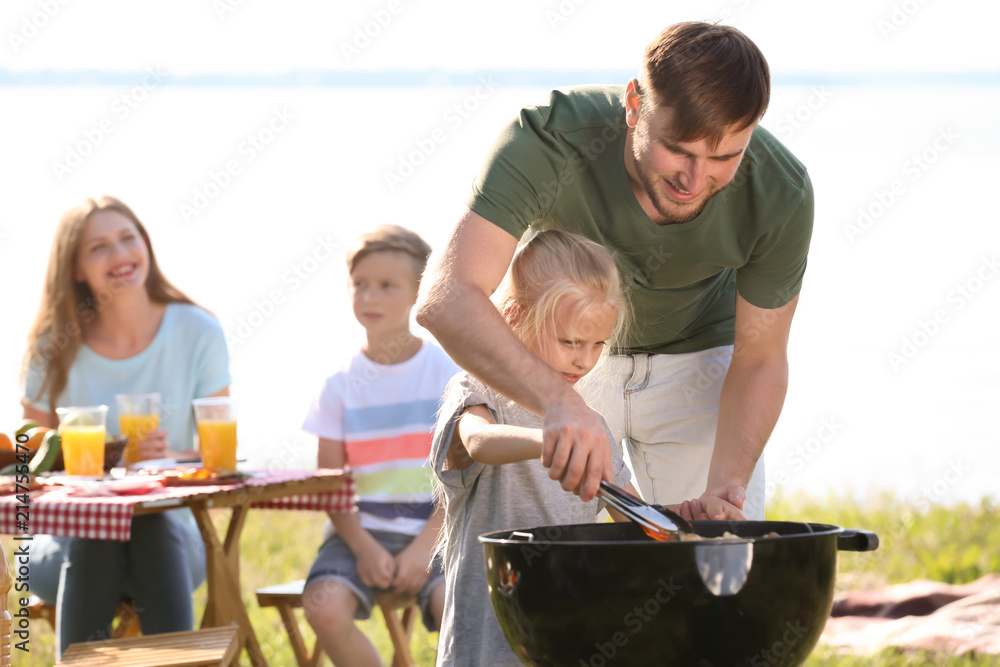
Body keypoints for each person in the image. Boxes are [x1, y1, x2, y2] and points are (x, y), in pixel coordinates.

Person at [417, 21, 814, 521]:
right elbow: (446, 296)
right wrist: (558, 400)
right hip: (562, 357)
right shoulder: (547, 138)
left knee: (711, 572)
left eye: (724, 157)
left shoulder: (782, 191)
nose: (694, 180)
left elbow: (761, 357)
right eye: (680, 150)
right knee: (548, 566)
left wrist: (727, 489)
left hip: (698, 362)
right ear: (633, 105)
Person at [21, 195, 231, 656]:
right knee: (98, 528)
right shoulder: (51, 345)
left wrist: (170, 460)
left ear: (146, 245)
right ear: (75, 268)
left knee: (145, 522)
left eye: (127, 238)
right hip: (63, 536)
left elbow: (216, 456)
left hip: (169, 531)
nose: (119, 254)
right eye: (98, 247)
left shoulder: (197, 332)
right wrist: (92, 460)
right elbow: (23, 456)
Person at [431, 230, 635, 667]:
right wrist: (549, 441)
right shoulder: (478, 389)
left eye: (598, 344)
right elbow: (476, 442)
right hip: (488, 641)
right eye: (570, 342)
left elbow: (635, 518)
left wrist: (692, 517)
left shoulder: (590, 427)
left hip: (568, 640)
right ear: (513, 315)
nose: (585, 360)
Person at [300, 224, 458, 666]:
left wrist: (425, 547)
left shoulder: (447, 375)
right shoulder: (339, 386)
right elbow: (330, 485)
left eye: (387, 286)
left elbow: (460, 475)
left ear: (417, 293)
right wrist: (363, 547)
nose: (369, 297)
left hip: (436, 533)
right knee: (322, 607)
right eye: (360, 285)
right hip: (357, 535)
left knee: (456, 606)